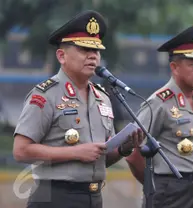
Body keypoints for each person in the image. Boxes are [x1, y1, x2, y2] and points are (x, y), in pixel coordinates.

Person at [12, 10, 143, 208]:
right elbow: (21, 151)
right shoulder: (45, 95)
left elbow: (98, 157)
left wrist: (123, 149)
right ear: (61, 56)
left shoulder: (102, 98)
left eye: (96, 51)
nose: (92, 56)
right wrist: (75, 152)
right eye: (84, 49)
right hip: (54, 196)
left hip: (93, 196)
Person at [127, 24, 193, 208]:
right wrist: (155, 187)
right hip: (171, 191)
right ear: (175, 67)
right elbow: (133, 152)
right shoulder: (159, 102)